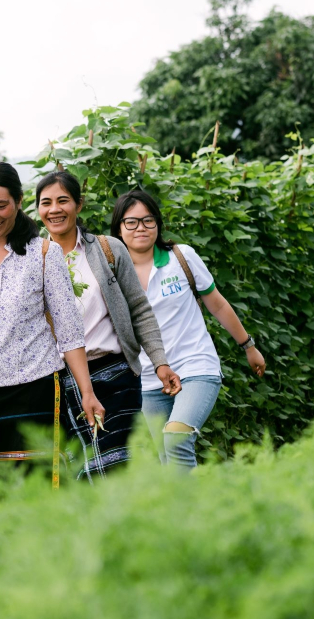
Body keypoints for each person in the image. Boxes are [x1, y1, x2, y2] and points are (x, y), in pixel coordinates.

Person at [0, 161, 103, 497]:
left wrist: (87, 392)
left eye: (1, 205)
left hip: (35, 389)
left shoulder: (45, 254)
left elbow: (69, 332)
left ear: (18, 201)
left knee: (42, 491)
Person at [35, 171, 183, 480]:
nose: (54, 209)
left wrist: (160, 362)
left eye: (63, 200)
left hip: (116, 377)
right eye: (45, 202)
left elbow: (140, 310)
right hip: (62, 383)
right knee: (81, 473)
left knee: (129, 468)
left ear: (79, 204)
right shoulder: (34, 260)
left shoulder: (108, 250)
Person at [110, 190, 266, 469]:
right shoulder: (114, 273)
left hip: (196, 365)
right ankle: (188, 508)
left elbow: (217, 305)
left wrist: (248, 346)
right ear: (119, 229)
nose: (141, 228)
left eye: (148, 221)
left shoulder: (181, 258)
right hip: (148, 378)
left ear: (158, 224)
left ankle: (188, 513)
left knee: (176, 439)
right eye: (131, 222)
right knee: (166, 459)